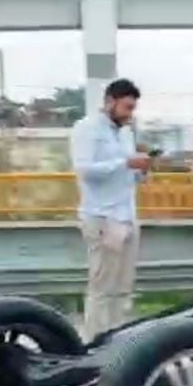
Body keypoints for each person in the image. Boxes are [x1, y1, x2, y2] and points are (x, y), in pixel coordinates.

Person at [70, 78, 152, 340]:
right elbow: (85, 170)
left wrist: (141, 169)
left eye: (133, 108)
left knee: (123, 287)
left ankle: (118, 339)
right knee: (102, 287)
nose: (130, 114)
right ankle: (95, 341)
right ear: (110, 102)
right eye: (127, 108)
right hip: (103, 217)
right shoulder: (87, 129)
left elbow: (127, 173)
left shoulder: (126, 132)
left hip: (126, 215)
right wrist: (125, 162)